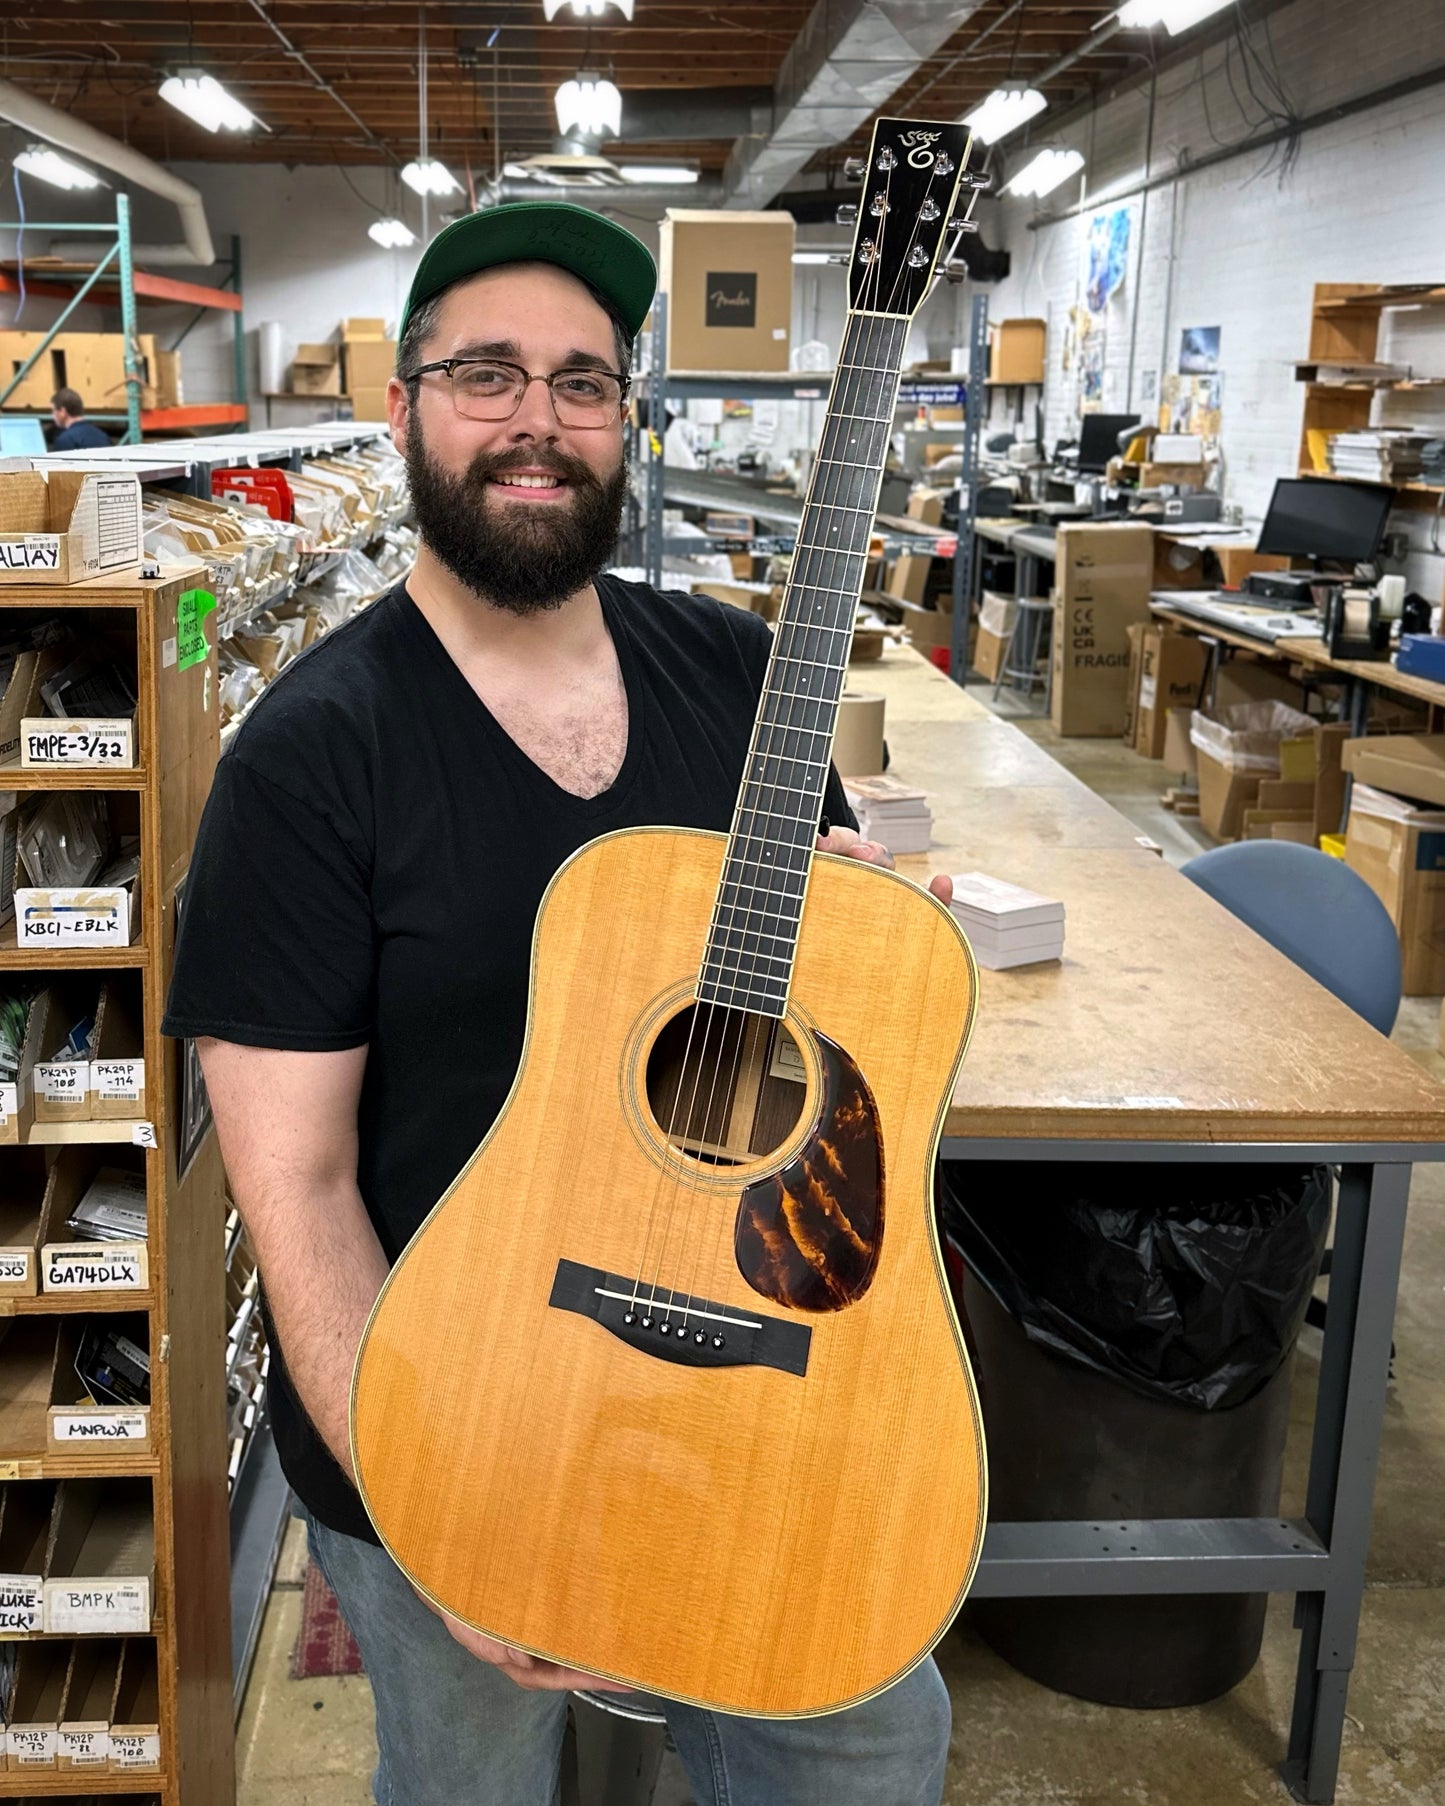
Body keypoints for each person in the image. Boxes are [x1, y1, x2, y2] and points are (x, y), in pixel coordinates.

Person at [164, 202, 954, 1806]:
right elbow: (296, 1187)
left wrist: (886, 944)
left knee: (870, 1742)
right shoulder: (309, 760)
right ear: (404, 412)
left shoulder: (737, 677)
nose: (538, 418)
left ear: (626, 420)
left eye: (583, 381)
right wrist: (436, 1500)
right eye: (487, 373)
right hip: (459, 1421)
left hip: (769, 1367)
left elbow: (821, 996)